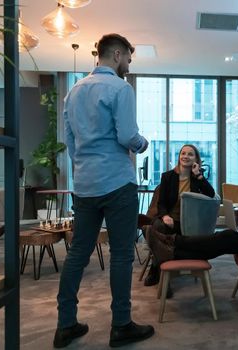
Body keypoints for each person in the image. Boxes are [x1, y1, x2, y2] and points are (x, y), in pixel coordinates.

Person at [54, 33, 154, 349]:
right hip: (117, 182)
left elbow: (69, 142)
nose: (128, 64)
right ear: (115, 53)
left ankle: (65, 324)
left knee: (78, 253)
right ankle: (121, 325)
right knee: (122, 254)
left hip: (84, 185)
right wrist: (143, 143)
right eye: (127, 58)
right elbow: (127, 135)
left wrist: (84, 164)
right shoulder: (121, 88)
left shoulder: (72, 92)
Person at [145, 144, 215, 287]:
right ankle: (161, 273)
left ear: (196, 159)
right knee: (158, 226)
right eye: (183, 153)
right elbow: (162, 203)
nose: (186, 156)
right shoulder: (168, 177)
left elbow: (211, 194)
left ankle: (157, 268)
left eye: (190, 154)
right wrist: (164, 216)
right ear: (179, 157)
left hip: (188, 222)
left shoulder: (197, 178)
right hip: (170, 219)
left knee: (161, 233)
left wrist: (199, 175)